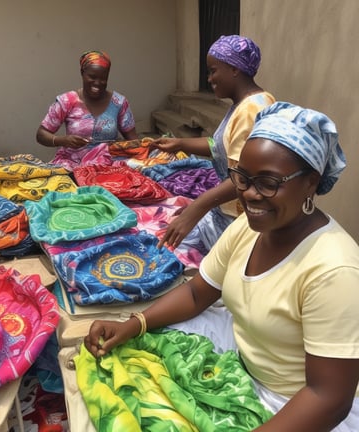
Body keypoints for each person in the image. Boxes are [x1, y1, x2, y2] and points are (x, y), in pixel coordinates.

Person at [85, 102, 359, 431]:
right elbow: (198, 293)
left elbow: (327, 397)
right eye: (242, 178)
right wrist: (135, 324)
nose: (249, 195)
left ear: (311, 182)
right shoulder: (248, 228)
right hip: (242, 348)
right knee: (127, 358)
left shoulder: (334, 270)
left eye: (268, 183)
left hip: (289, 400)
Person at [151, 35, 275, 255]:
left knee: (167, 249)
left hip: (240, 218)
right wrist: (180, 143)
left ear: (234, 69)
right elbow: (220, 146)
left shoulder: (250, 111)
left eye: (213, 70)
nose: (209, 79)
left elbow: (244, 176)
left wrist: (196, 209)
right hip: (228, 211)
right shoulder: (247, 103)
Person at [36, 50, 138, 169]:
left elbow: (133, 140)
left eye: (103, 78)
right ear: (82, 73)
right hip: (73, 164)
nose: (97, 83)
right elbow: (41, 134)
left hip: (108, 165)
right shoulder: (67, 101)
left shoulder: (119, 102)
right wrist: (63, 140)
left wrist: (148, 148)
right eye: (92, 77)